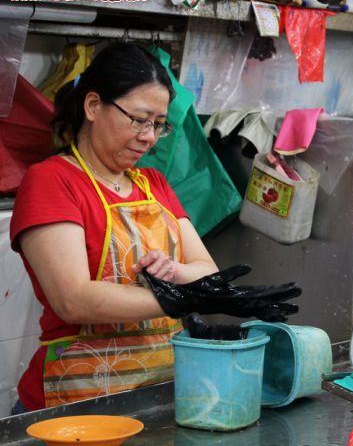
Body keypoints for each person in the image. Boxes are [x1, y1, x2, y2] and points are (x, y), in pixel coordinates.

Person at [9, 43, 300, 413]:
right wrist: (177, 297)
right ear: (93, 106)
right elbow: (73, 299)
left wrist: (175, 273)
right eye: (139, 119)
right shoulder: (52, 180)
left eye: (158, 125)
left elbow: (205, 269)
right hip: (74, 404)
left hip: (158, 395)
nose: (149, 136)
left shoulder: (154, 184)